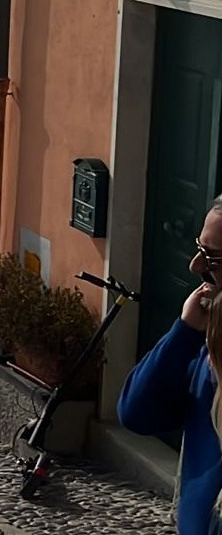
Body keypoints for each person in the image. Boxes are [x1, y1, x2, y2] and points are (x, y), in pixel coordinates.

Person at [118, 194, 222, 534]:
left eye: (213, 257)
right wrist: (185, 334)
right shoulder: (206, 346)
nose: (195, 266)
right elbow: (137, 413)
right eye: (198, 248)